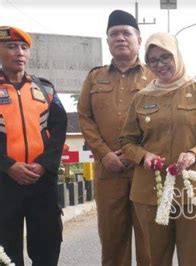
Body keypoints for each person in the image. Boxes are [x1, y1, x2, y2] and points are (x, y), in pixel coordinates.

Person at [119, 32, 196, 266]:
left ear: (177, 55)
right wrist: (143, 155)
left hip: (192, 189)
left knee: (192, 259)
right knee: (156, 259)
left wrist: (194, 153)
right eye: (153, 60)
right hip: (151, 191)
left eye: (165, 57)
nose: (160, 64)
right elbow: (126, 141)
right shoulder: (141, 98)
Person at [77, 10, 154, 266]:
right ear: (108, 41)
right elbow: (85, 117)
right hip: (108, 171)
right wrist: (104, 153)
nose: (120, 38)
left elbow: (166, 122)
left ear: (139, 40)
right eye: (114, 34)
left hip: (144, 170)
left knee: (150, 241)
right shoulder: (95, 77)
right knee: (112, 242)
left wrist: (138, 154)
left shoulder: (154, 77)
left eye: (126, 33)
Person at [0, 26, 67, 266]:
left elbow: (59, 130)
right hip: (4, 185)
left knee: (47, 248)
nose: (19, 52)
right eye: (11, 46)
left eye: (24, 47)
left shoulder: (45, 89)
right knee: (6, 253)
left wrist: (43, 165)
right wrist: (8, 166)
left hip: (42, 184)